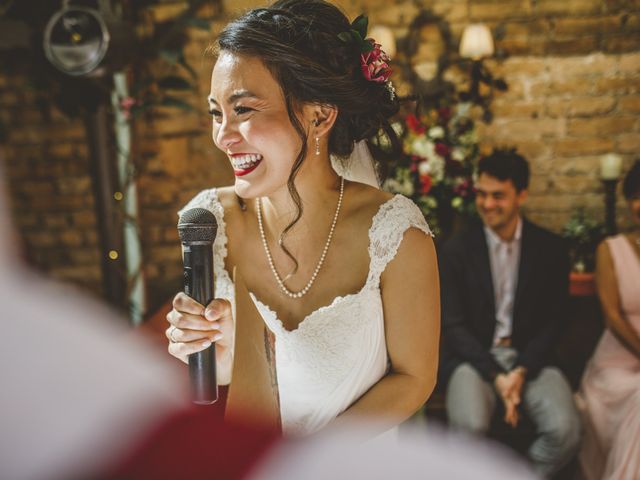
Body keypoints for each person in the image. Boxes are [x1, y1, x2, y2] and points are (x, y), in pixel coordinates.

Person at [165, 0, 440, 437]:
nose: (223, 136)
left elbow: (415, 378)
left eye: (245, 110)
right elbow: (232, 381)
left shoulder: (395, 231)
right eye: (217, 112)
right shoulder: (209, 222)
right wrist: (215, 355)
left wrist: (316, 459)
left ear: (319, 116)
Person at [438, 148, 581, 477]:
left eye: (498, 196)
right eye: (482, 195)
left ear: (522, 194)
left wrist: (520, 371)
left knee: (566, 431)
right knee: (468, 428)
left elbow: (555, 322)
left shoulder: (552, 250)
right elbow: (454, 325)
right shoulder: (455, 250)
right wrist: (497, 376)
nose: (488, 204)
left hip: (534, 359)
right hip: (472, 358)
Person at [576, 160, 640, 480]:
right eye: (635, 196)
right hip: (615, 366)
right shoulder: (611, 249)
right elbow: (612, 316)